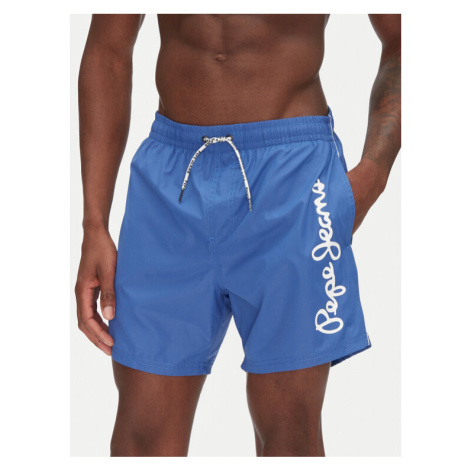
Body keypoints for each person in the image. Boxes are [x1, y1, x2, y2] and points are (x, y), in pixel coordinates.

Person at [75, 14, 401, 457]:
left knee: (289, 434)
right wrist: (94, 223)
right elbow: (108, 51)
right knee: (142, 440)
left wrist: (373, 176)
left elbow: (406, 36)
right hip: (169, 183)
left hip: (293, 177)